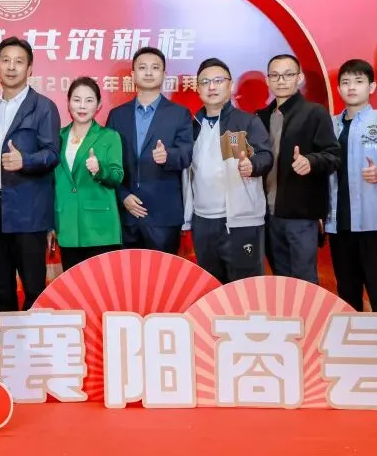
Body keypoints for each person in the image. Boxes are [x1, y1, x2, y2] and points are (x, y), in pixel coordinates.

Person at [0, 36, 60, 315]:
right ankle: (6, 340)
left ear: (30, 68)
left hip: (28, 209)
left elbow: (52, 154)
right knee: (1, 286)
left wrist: (25, 161)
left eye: (19, 62)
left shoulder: (44, 107)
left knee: (34, 286)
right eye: (6, 61)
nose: (11, 67)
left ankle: (33, 339)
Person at [324, 59, 377, 314]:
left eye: (358, 81)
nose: (351, 87)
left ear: (371, 87)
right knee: (347, 296)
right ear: (338, 88)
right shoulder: (330, 124)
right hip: (339, 223)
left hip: (374, 222)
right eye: (346, 82)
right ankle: (352, 341)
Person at [185, 58, 272, 284]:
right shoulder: (192, 125)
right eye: (205, 82)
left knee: (245, 288)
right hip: (203, 221)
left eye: (218, 80)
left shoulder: (246, 122)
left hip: (240, 221)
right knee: (211, 287)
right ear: (198, 89)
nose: (211, 87)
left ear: (230, 86)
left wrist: (252, 166)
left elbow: (265, 156)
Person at [257, 54, 340, 283]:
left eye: (288, 75)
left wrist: (310, 161)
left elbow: (333, 155)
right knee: (281, 282)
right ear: (268, 80)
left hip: (301, 214)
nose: (281, 81)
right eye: (275, 75)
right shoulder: (261, 117)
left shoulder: (315, 113)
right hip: (267, 213)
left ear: (299, 78)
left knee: (304, 281)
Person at [106, 47, 193, 254]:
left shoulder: (179, 114)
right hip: (126, 213)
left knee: (163, 273)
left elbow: (187, 154)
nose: (148, 72)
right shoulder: (117, 115)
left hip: (163, 215)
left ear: (164, 74)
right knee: (126, 273)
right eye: (142, 67)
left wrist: (168, 156)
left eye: (155, 68)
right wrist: (122, 196)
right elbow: (108, 162)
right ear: (133, 74)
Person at [52, 77, 124, 271]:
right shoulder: (57, 137)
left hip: (100, 228)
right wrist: (51, 223)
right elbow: (50, 182)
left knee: (102, 287)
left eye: (89, 100)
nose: (82, 106)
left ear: (99, 105)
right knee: (74, 286)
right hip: (66, 225)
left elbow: (117, 176)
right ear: (68, 103)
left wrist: (100, 170)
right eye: (77, 100)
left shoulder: (109, 136)